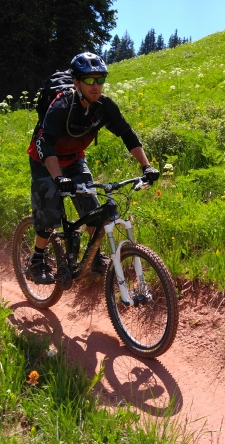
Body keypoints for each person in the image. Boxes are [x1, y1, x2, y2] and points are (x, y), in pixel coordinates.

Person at [26, 52, 159, 284]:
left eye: (100, 79)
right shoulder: (61, 105)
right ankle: (36, 259)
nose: (95, 85)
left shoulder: (104, 106)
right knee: (49, 212)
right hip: (45, 159)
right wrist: (57, 178)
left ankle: (95, 257)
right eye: (89, 80)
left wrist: (146, 167)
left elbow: (127, 134)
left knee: (93, 210)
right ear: (76, 82)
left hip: (75, 158)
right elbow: (45, 143)